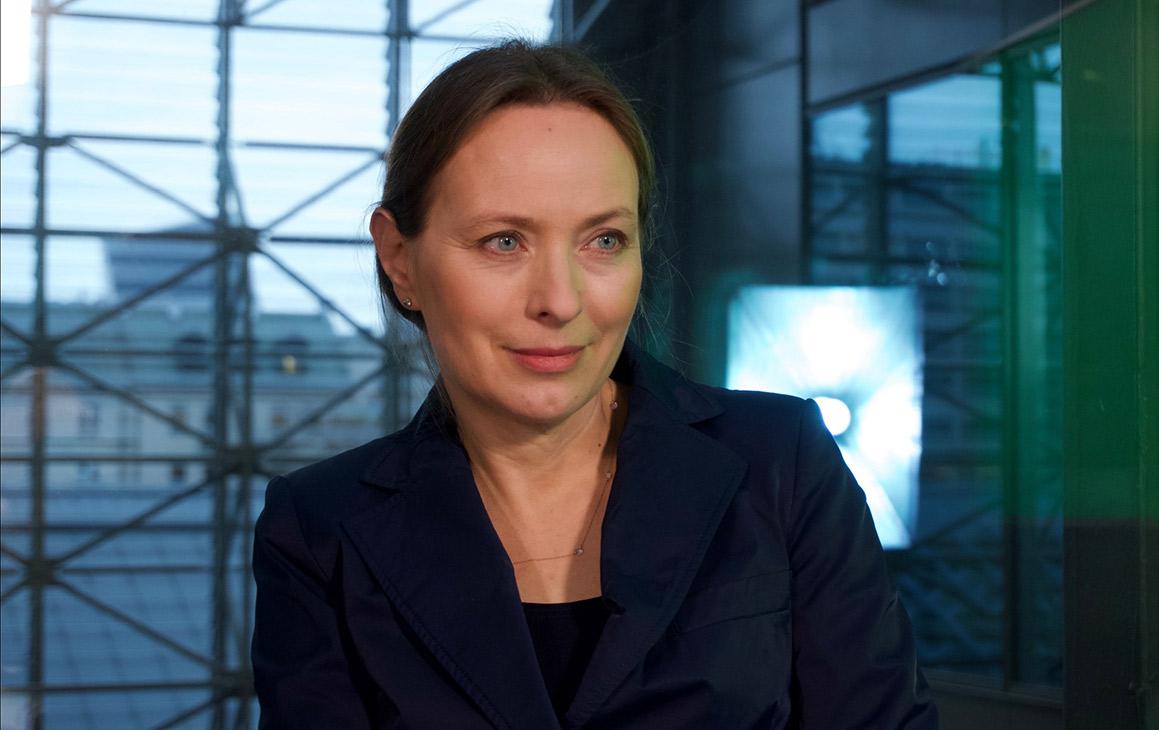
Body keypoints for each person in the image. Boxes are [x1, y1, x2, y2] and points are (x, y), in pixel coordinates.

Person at [251, 39, 938, 729]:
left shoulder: (781, 463)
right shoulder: (319, 531)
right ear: (399, 259)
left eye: (603, 240)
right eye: (504, 241)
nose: (561, 300)